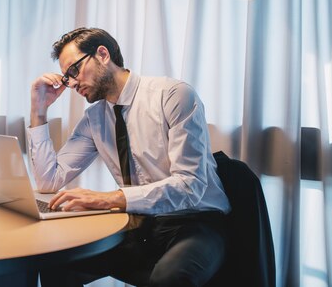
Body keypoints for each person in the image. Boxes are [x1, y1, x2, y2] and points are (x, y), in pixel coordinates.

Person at [27, 27, 231, 287]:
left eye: (74, 71)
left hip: (196, 222)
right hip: (142, 224)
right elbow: (48, 181)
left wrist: (108, 199)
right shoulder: (94, 119)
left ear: (102, 54)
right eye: (67, 77)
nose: (73, 83)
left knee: (169, 279)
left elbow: (190, 185)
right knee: (57, 261)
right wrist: (39, 110)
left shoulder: (173, 95)